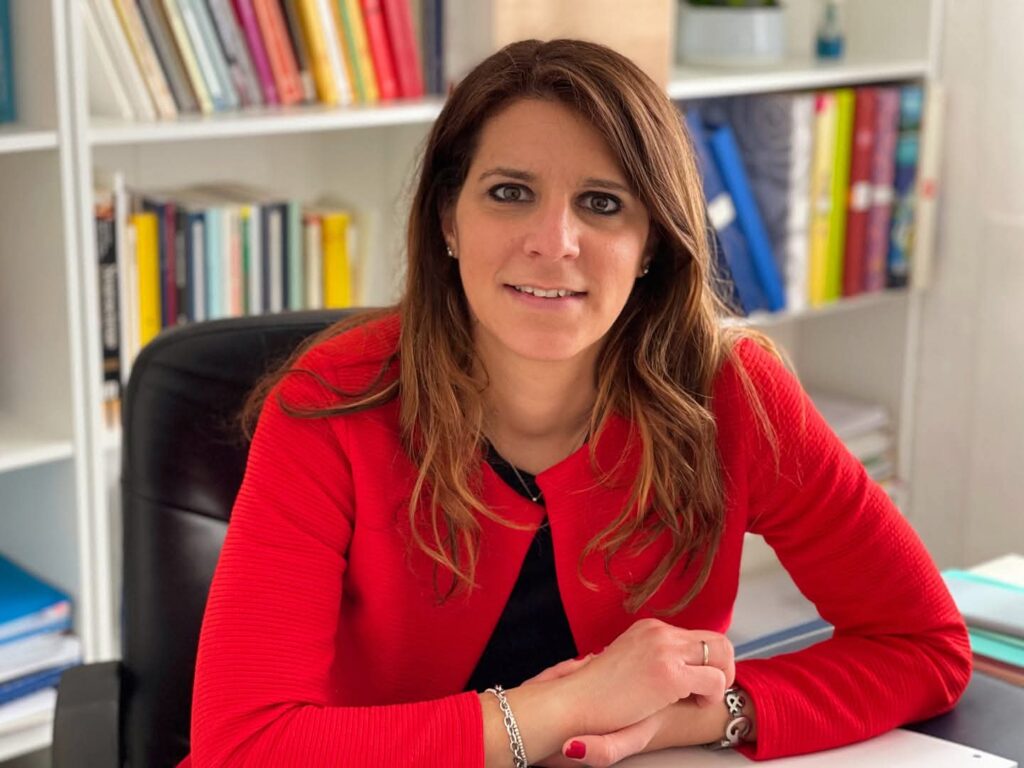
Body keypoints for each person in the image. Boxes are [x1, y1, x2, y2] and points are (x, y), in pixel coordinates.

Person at [184, 39, 970, 768]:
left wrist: (698, 718)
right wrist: (564, 708)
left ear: (652, 242)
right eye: (510, 193)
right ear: (449, 220)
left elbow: (923, 644)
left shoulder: (734, 394)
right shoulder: (333, 401)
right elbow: (241, 746)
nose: (553, 241)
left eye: (602, 203)